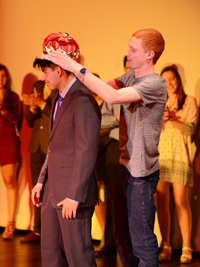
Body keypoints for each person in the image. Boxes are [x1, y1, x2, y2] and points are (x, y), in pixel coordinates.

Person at [48, 28, 167, 267]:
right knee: (122, 240)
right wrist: (70, 69)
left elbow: (111, 97)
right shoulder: (131, 76)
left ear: (150, 55)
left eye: (133, 50)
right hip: (125, 170)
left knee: (142, 243)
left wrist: (76, 69)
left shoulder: (155, 83)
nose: (127, 53)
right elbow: (98, 87)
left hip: (141, 175)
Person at [31, 32, 101, 267]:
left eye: (46, 71)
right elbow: (55, 148)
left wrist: (74, 195)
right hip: (53, 191)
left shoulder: (82, 100)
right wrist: (42, 180)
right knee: (52, 257)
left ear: (59, 70)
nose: (43, 77)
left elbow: (86, 151)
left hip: (72, 195)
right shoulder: (58, 99)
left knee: (78, 257)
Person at [156, 65, 198, 264]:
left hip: (180, 157)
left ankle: (187, 247)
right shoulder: (158, 103)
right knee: (162, 202)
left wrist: (171, 119)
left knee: (181, 202)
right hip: (159, 158)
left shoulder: (189, 101)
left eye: (172, 79)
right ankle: (166, 245)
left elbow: (190, 130)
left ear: (178, 79)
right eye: (164, 80)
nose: (169, 83)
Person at [20, 80, 57, 242]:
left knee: (53, 189)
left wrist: (41, 103)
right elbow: (28, 118)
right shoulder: (38, 85)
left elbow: (58, 115)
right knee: (37, 189)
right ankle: (38, 230)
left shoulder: (61, 88)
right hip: (36, 146)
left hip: (52, 146)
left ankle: (53, 231)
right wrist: (33, 107)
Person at [94, 98, 121, 257]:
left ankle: (135, 246)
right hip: (115, 145)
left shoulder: (145, 91)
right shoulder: (115, 94)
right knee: (113, 196)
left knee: (138, 199)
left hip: (139, 146)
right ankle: (110, 242)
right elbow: (103, 121)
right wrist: (118, 119)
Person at [0, 64, 21, 240]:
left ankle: (11, 223)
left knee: (9, 181)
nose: (1, 79)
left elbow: (16, 120)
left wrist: (3, 109)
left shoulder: (13, 97)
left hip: (7, 141)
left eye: (3, 76)